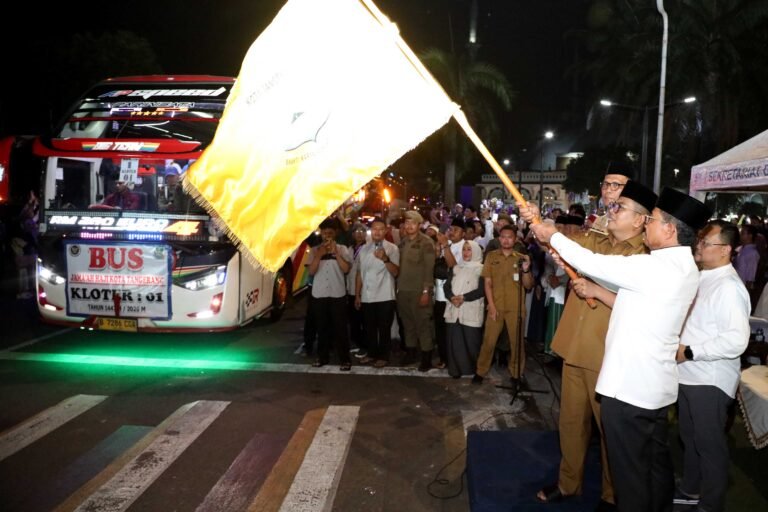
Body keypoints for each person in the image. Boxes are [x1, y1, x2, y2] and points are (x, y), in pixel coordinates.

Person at [520, 187, 712, 512]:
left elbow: (590, 261)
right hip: (654, 390)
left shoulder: (654, 267)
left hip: (629, 390)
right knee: (655, 470)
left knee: (630, 480)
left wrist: (553, 234)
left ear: (668, 229)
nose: (648, 225)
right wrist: (592, 283)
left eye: (652, 220)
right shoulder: (683, 268)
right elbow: (631, 299)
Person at [534, 181, 656, 511]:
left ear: (640, 220)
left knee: (609, 433)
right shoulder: (594, 240)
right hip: (576, 344)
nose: (611, 210)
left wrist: (594, 285)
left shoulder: (644, 257)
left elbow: (642, 305)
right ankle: (568, 483)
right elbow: (559, 245)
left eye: (620, 206)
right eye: (612, 203)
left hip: (608, 354)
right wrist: (538, 224)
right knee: (571, 423)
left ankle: (611, 494)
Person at [674, 220, 750, 512]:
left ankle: (711, 503)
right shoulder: (704, 276)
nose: (699, 246)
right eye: (701, 241)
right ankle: (691, 490)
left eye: (707, 243)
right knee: (689, 437)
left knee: (709, 445)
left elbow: (736, 341)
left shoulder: (730, 287)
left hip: (710, 378)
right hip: (690, 373)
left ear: (726, 250)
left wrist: (690, 351)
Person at [472, 224, 534, 385]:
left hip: (516, 308)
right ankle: (480, 371)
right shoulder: (492, 256)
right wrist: (491, 305)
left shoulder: (521, 258)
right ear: (499, 238)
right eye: (503, 237)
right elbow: (487, 283)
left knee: (517, 343)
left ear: (515, 239)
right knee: (489, 340)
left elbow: (528, 285)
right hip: (496, 306)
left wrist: (526, 270)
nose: (506, 240)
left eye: (510, 237)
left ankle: (516, 374)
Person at [307, 218, 352, 370]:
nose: (327, 236)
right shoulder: (314, 250)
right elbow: (311, 272)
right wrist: (319, 255)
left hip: (337, 294)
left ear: (335, 234)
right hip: (319, 294)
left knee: (341, 328)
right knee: (322, 328)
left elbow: (346, 269)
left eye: (330, 233)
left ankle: (345, 359)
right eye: (324, 233)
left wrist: (336, 254)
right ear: (321, 234)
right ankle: (322, 357)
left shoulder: (343, 249)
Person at [355, 217, 399, 367]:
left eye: (380, 229)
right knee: (369, 327)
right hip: (367, 296)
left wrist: (385, 259)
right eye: (374, 229)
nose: (377, 232)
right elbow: (360, 274)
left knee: (384, 328)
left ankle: (384, 356)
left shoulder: (392, 248)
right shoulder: (364, 249)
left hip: (385, 295)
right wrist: (357, 294)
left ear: (385, 231)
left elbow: (395, 272)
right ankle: (372, 353)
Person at [396, 210, 436, 371]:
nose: (409, 225)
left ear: (419, 225)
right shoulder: (403, 242)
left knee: (423, 324)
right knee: (408, 324)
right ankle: (411, 352)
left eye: (413, 223)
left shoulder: (426, 243)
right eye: (407, 222)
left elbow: (429, 268)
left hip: (419, 290)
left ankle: (426, 357)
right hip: (403, 290)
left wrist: (426, 292)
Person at [443, 240, 485, 378]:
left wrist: (463, 298)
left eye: (469, 249)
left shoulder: (481, 269)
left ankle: (472, 369)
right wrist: (451, 297)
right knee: (454, 342)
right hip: (454, 309)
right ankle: (455, 370)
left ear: (476, 252)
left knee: (471, 342)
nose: (466, 252)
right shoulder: (456, 268)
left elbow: (481, 290)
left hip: (470, 310)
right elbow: (446, 286)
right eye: (464, 249)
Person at [590, 165, 632, 235]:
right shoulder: (599, 222)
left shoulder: (633, 224)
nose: (607, 190)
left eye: (615, 185)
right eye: (605, 184)